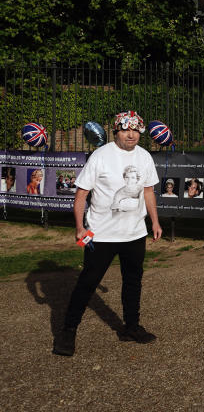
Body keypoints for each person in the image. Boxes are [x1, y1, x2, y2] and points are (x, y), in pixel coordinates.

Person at [53, 110, 162, 356]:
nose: (131, 134)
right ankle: (68, 331)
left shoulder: (144, 157)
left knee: (133, 281)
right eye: (125, 130)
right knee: (88, 282)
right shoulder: (100, 157)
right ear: (116, 131)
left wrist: (154, 222)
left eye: (135, 130)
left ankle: (131, 327)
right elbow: (81, 195)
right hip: (100, 236)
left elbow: (148, 192)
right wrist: (80, 228)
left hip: (134, 233)